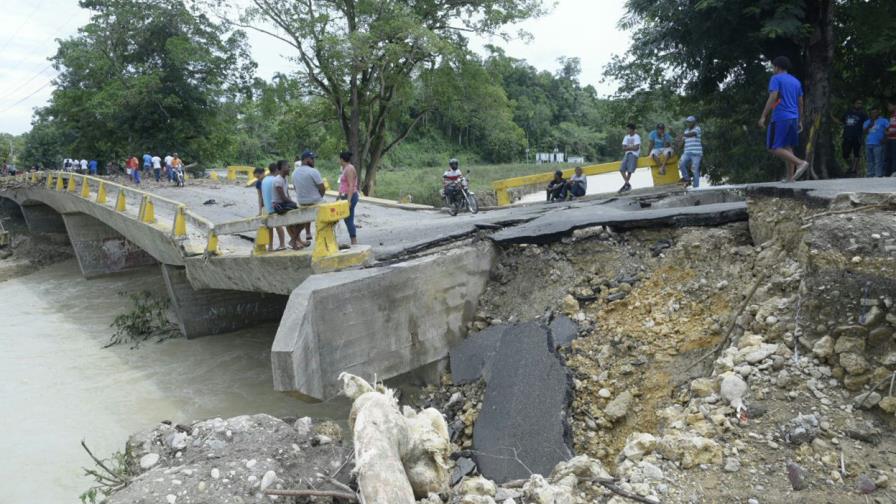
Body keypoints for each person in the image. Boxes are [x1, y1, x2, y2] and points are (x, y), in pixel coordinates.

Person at [758, 56, 809, 182]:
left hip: (780, 117)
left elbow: (773, 96)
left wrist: (763, 116)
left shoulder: (776, 79)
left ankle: (800, 163)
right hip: (793, 118)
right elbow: (801, 102)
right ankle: (790, 178)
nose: (772, 69)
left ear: (777, 67)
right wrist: (800, 119)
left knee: (773, 147)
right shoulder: (796, 81)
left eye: (773, 67)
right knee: (787, 147)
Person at [293, 150, 326, 242]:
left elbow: (296, 189)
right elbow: (322, 189)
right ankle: (323, 235)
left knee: (306, 213)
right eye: (312, 159)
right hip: (314, 201)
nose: (313, 161)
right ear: (306, 160)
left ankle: (303, 235)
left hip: (301, 201)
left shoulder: (294, 172)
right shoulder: (313, 171)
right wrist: (319, 197)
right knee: (327, 208)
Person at [272, 159, 303, 249]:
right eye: (287, 166)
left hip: (284, 204)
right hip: (279, 206)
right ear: (281, 168)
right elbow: (283, 198)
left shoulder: (284, 179)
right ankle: (294, 241)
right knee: (298, 216)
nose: (289, 168)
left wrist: (292, 202)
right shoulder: (278, 180)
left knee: (297, 220)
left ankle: (294, 240)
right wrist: (293, 203)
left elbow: (287, 195)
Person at [260, 163, 285, 251]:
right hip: (275, 207)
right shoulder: (275, 180)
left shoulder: (264, 180)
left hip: (267, 207)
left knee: (270, 227)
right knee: (279, 226)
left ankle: (270, 246)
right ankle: (282, 244)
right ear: (277, 170)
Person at [840, 99, 867, 176]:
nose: (859, 105)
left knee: (856, 153)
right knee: (845, 154)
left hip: (857, 136)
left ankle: (854, 170)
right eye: (858, 103)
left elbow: (867, 124)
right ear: (854, 104)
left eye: (861, 103)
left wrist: (863, 133)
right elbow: (841, 121)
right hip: (847, 135)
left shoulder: (863, 114)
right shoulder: (847, 112)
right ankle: (851, 165)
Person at [338, 150, 360, 246]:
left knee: (348, 219)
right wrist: (339, 195)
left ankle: (354, 240)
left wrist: (349, 200)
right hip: (345, 195)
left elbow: (351, 185)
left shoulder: (349, 169)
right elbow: (343, 184)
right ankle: (353, 240)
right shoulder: (345, 168)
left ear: (342, 159)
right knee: (347, 218)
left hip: (350, 196)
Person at [863, 106, 889, 178]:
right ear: (870, 114)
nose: (874, 114)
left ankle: (878, 175)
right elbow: (864, 132)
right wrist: (869, 126)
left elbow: (888, 130)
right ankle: (870, 174)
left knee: (879, 160)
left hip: (878, 144)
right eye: (872, 113)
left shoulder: (884, 120)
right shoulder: (867, 122)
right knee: (870, 161)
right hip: (868, 143)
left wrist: (885, 139)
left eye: (875, 112)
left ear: (878, 112)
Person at [678, 116, 704, 187]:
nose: (688, 124)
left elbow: (692, 134)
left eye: (690, 122)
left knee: (694, 170)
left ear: (694, 122)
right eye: (687, 122)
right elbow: (683, 141)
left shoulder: (697, 129)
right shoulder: (686, 130)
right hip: (687, 152)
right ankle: (687, 179)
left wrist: (683, 135)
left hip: (696, 154)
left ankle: (696, 188)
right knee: (681, 163)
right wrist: (678, 144)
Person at [619, 123, 641, 192]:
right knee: (621, 169)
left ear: (632, 129)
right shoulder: (626, 137)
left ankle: (626, 185)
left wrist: (628, 147)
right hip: (627, 154)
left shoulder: (637, 137)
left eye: (628, 129)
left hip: (633, 155)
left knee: (629, 170)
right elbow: (623, 148)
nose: (627, 130)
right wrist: (631, 147)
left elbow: (636, 148)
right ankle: (627, 184)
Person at [886, 101, 896, 177]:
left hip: (894, 138)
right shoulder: (892, 116)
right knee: (889, 156)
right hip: (890, 138)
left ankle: (894, 171)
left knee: (894, 155)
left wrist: (888, 132)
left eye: (890, 106)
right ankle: (889, 172)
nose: (888, 108)